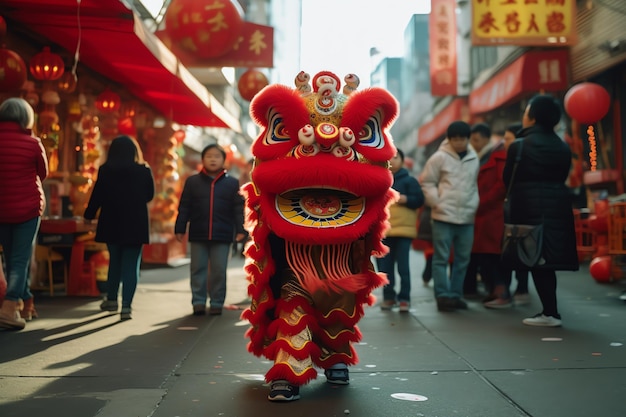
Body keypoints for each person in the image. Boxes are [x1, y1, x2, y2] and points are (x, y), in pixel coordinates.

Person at [503, 95, 579, 327]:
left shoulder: (519, 145)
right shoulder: (562, 147)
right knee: (546, 259)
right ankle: (551, 311)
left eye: (527, 111)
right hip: (558, 206)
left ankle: (550, 313)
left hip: (528, 208)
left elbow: (509, 179)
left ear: (533, 117)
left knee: (534, 256)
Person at [83, 135, 155, 321]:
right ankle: (126, 308)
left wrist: (88, 215)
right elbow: (149, 195)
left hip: (111, 222)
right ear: (134, 151)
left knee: (114, 262)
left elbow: (97, 195)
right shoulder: (143, 170)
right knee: (131, 266)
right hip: (136, 224)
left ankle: (112, 299)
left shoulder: (105, 170)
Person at [174, 144, 245, 317]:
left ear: (223, 160)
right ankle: (198, 301)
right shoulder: (192, 182)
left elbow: (238, 209)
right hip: (198, 232)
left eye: (216, 156)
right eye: (209, 156)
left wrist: (241, 229)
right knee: (197, 268)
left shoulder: (232, 183)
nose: (213, 159)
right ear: (203, 159)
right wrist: (180, 227)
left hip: (223, 234)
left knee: (219, 270)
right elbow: (184, 207)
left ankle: (216, 302)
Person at [419, 121, 479, 312]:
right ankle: (443, 296)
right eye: (455, 139)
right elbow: (427, 182)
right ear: (449, 139)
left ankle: (456, 295)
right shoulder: (439, 158)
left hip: (467, 216)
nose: (459, 142)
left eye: (462, 139)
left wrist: (474, 204)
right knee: (441, 258)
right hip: (443, 216)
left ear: (467, 139)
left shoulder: (474, 157)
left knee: (463, 259)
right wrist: (437, 202)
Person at [0, 98, 49, 330]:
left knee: (9, 259)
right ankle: (10, 307)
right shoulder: (33, 143)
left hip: (2, 209)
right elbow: (43, 173)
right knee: (20, 260)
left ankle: (19, 303)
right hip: (28, 209)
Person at [463, 123, 506, 303]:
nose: (473, 143)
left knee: (490, 256)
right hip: (480, 213)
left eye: (476, 140)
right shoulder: (478, 156)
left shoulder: (497, 156)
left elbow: (501, 185)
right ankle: (494, 292)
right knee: (484, 255)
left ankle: (501, 293)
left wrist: (483, 201)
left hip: (491, 214)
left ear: (487, 139)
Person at [377, 149, 424, 312]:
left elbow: (419, 200)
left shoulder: (410, 181)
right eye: (390, 158)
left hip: (404, 230)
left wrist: (406, 199)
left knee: (403, 267)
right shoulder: (380, 180)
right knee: (385, 267)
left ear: (403, 160)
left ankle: (404, 298)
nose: (393, 161)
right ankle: (389, 298)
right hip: (385, 230)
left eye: (396, 158)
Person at [501, 122, 530, 306]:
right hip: (512, 208)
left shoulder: (518, 154)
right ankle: (512, 287)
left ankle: (521, 287)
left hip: (518, 208)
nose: (504, 142)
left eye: (507, 138)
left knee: (519, 247)